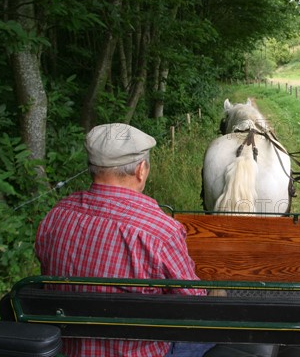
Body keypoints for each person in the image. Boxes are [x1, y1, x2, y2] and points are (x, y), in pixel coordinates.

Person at [35, 123, 214, 357]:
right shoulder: (160, 232)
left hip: (69, 349)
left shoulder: (56, 215)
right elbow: (193, 307)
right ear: (141, 170)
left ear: (92, 168)